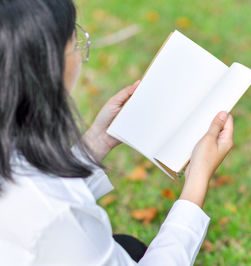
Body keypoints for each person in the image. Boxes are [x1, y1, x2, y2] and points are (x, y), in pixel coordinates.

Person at [0, 0, 234, 265]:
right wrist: (195, 186)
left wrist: (98, 141)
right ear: (46, 66)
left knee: (128, 247)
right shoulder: (59, 216)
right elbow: (51, 205)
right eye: (75, 42)